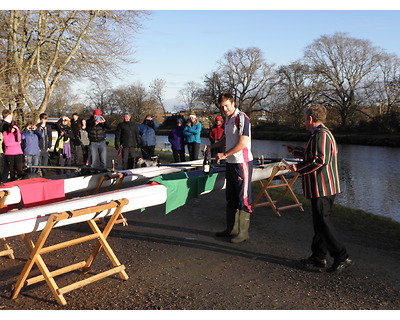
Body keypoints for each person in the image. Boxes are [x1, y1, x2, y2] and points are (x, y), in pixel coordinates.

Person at [284, 104, 352, 273]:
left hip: (323, 187)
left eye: (305, 119)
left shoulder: (321, 135)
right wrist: (296, 151)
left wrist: (298, 169)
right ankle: (318, 257)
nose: (304, 122)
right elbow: (313, 155)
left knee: (323, 222)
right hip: (321, 187)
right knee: (319, 223)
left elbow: (319, 160)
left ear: (311, 119)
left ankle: (341, 256)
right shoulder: (319, 134)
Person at [204, 92, 253, 243]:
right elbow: (227, 138)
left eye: (226, 106)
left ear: (233, 103)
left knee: (242, 197)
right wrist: (213, 145)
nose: (224, 109)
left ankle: (243, 233)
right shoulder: (227, 119)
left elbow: (242, 143)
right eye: (222, 107)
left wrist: (224, 155)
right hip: (231, 163)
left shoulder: (242, 118)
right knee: (230, 197)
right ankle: (231, 229)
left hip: (242, 162)